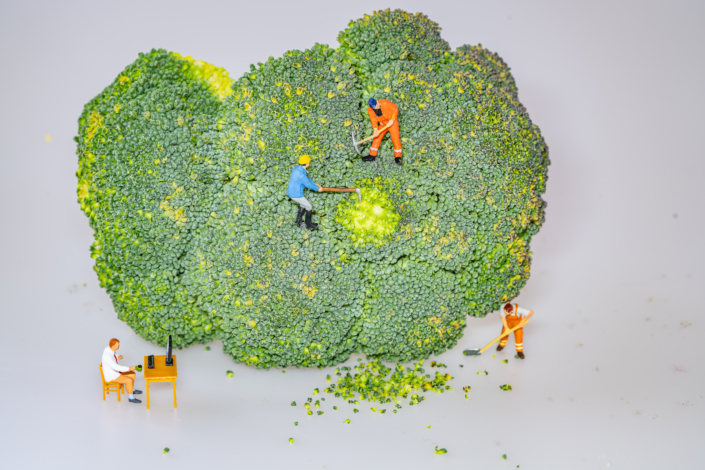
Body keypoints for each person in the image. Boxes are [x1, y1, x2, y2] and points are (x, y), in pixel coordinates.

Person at [287, 155, 323, 230]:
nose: (309, 163)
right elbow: (308, 184)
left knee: (302, 205)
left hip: (292, 192)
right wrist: (317, 189)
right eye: (309, 162)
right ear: (307, 164)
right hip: (296, 194)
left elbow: (306, 180)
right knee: (309, 207)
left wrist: (315, 184)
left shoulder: (296, 168)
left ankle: (298, 222)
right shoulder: (301, 175)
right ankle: (308, 224)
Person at [363, 98, 402, 165]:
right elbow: (373, 120)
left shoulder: (385, 103)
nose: (375, 108)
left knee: (395, 139)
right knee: (377, 138)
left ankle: (398, 156)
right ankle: (372, 155)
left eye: (375, 106)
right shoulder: (370, 110)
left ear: (377, 102)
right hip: (383, 123)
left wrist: (392, 119)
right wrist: (375, 129)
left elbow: (395, 108)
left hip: (392, 123)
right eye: (373, 108)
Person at [102, 338, 142, 403]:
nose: (119, 346)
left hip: (115, 372)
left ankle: (132, 390)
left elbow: (113, 354)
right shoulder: (107, 357)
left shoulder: (108, 348)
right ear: (113, 346)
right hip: (112, 376)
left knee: (133, 374)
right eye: (118, 345)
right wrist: (129, 368)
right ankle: (131, 398)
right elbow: (116, 367)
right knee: (129, 380)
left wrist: (117, 356)